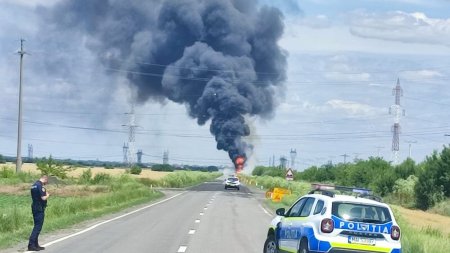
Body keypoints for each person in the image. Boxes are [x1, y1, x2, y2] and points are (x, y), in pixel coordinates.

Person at [28, 175, 49, 251]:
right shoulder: (40, 186)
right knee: (37, 227)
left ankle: (36, 245)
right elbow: (43, 198)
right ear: (45, 179)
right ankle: (31, 245)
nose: (46, 184)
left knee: (36, 225)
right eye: (46, 182)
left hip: (34, 206)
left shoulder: (33, 185)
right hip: (39, 208)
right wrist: (48, 195)